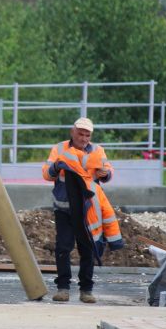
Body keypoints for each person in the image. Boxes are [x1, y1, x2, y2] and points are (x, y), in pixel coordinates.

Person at [42, 117, 124, 303]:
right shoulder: (60, 149)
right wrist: (57, 166)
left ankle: (86, 290)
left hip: (87, 211)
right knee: (63, 247)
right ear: (73, 132)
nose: (84, 138)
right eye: (80, 133)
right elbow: (47, 173)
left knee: (87, 249)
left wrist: (106, 174)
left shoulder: (97, 150)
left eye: (87, 135)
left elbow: (107, 171)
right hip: (64, 209)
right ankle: (63, 288)